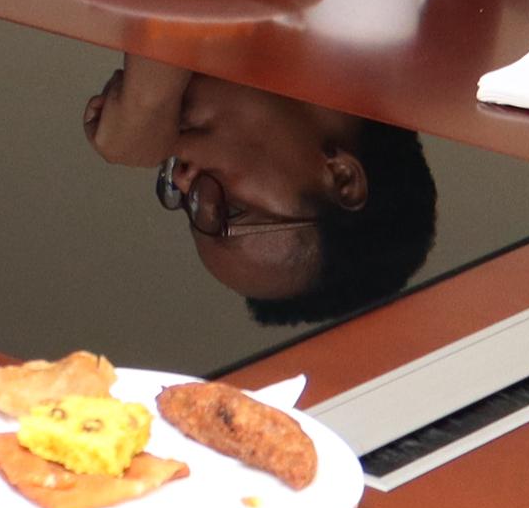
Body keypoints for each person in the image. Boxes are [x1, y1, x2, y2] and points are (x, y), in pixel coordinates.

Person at [82, 56, 439, 328]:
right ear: (341, 177)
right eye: (230, 210)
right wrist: (146, 101)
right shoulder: (417, 16)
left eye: (190, 205)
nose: (182, 179)